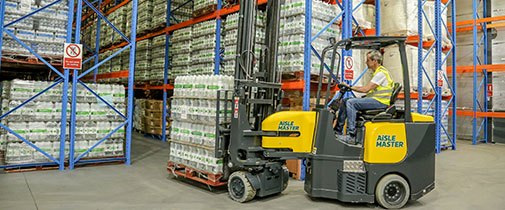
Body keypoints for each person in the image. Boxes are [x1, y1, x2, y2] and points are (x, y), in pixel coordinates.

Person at [335, 50, 394, 142]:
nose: (366, 62)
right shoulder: (377, 73)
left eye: (368, 60)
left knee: (351, 103)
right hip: (376, 100)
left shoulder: (381, 74)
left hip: (380, 102)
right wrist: (350, 87)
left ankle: (351, 135)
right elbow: (366, 89)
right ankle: (337, 131)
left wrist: (350, 87)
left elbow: (366, 89)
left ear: (374, 61)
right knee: (346, 100)